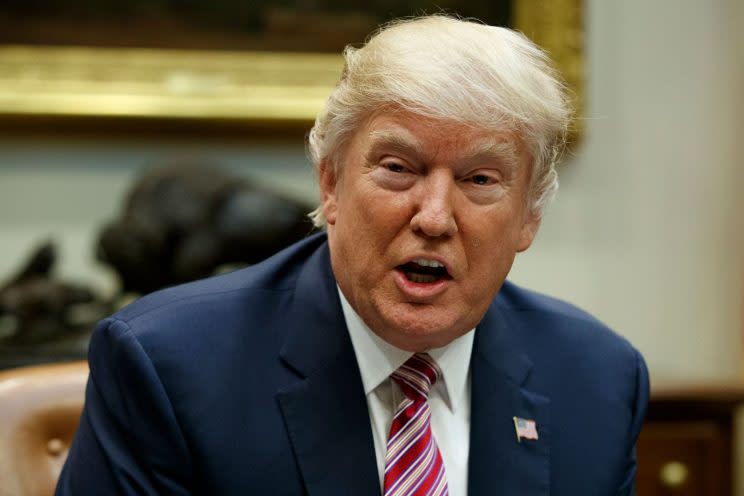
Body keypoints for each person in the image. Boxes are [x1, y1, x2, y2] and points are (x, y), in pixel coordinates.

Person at [56, 15, 648, 496]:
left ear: (529, 217)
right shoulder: (168, 368)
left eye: (481, 179)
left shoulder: (596, 381)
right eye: (398, 168)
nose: (435, 217)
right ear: (331, 184)